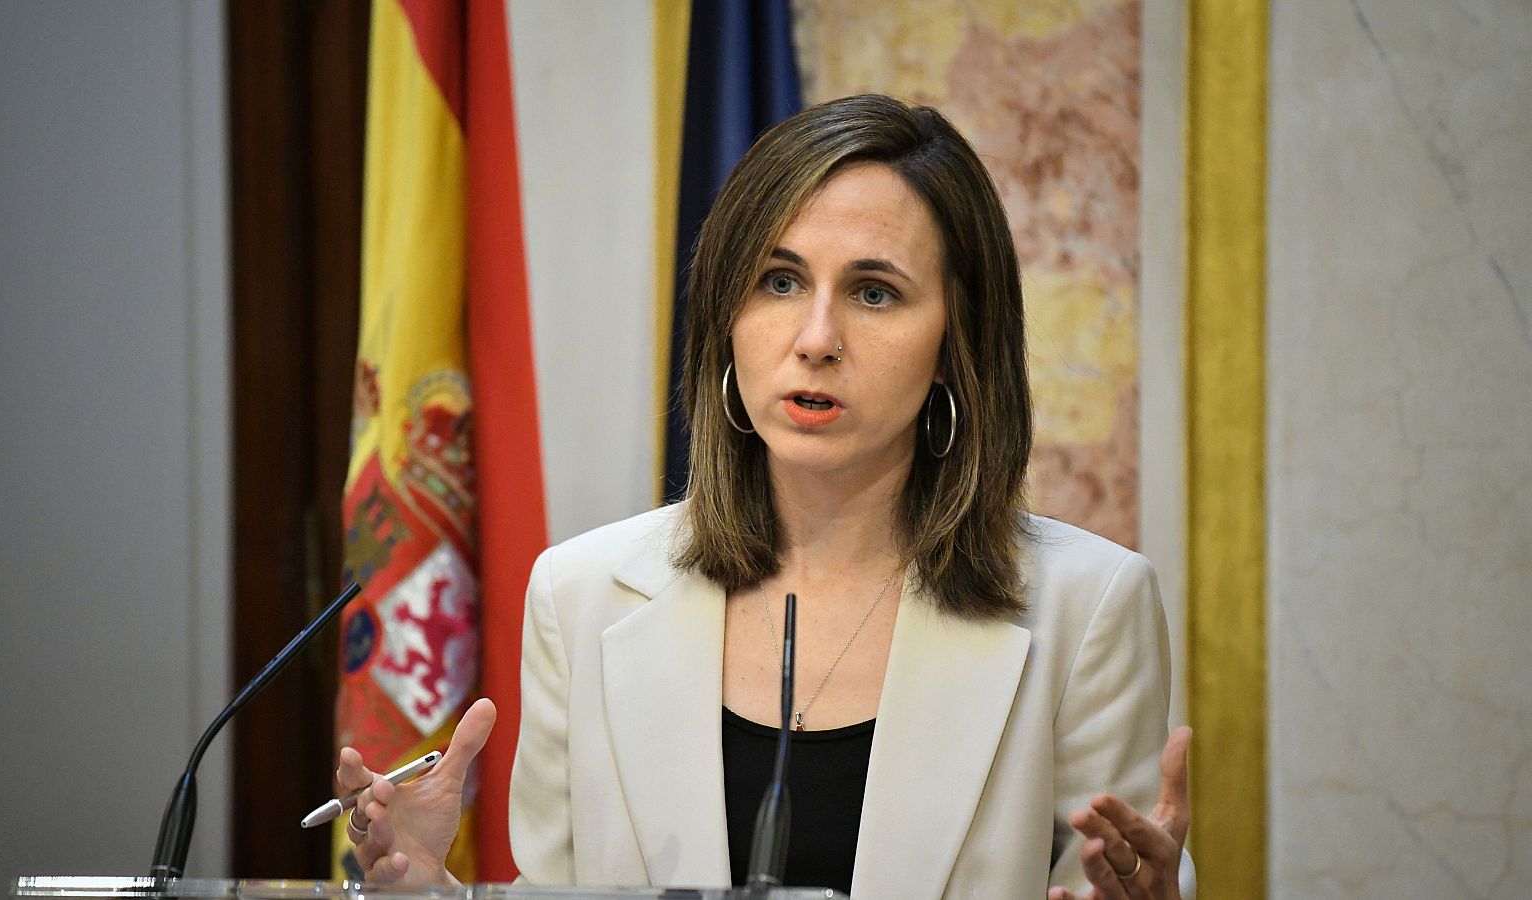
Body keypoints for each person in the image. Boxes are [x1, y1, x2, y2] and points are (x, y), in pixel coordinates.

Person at [336, 94, 1194, 900]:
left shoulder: (1087, 609)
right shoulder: (582, 594)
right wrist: (428, 889)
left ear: (957, 342)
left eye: (874, 292)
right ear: (726, 317)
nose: (815, 339)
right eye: (779, 282)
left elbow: (1117, 873)